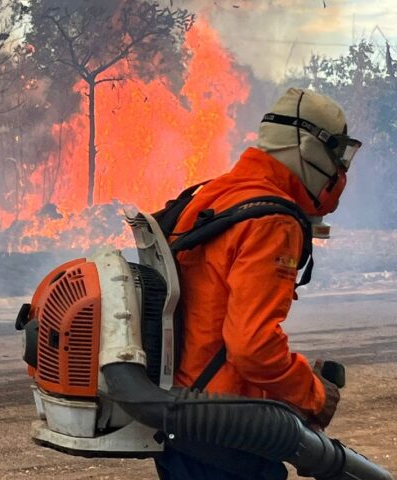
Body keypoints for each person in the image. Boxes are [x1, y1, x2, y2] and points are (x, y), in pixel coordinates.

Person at [154, 88, 362, 480]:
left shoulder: (214, 194)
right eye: (337, 155)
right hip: (228, 429)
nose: (339, 170)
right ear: (309, 147)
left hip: (180, 418)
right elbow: (252, 346)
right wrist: (313, 393)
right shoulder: (272, 221)